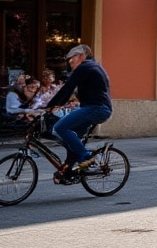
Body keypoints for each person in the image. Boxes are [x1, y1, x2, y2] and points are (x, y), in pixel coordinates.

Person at [44, 45, 114, 182]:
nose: (70, 63)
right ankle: (68, 170)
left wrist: (51, 105)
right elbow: (70, 88)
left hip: (96, 108)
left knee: (60, 128)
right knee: (72, 139)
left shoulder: (85, 66)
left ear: (81, 56)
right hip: (96, 108)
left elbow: (68, 87)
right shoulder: (92, 67)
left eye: (71, 60)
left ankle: (86, 156)